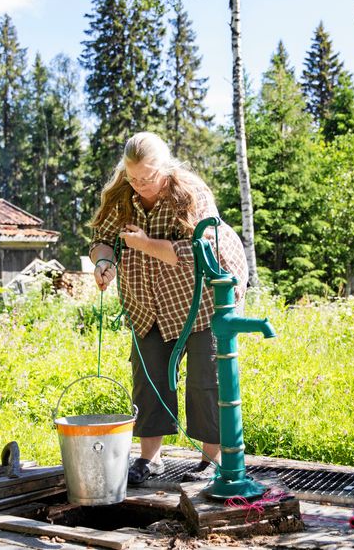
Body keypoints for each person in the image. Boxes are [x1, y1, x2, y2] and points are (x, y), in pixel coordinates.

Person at [89, 132, 248, 486]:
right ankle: (150, 459)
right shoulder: (122, 196)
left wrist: (145, 245)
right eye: (133, 177)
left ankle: (211, 458)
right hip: (147, 302)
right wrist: (104, 262)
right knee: (149, 378)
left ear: (167, 167)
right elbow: (102, 239)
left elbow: (199, 252)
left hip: (203, 297)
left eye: (148, 177)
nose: (141, 185)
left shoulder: (190, 193)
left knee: (207, 378)